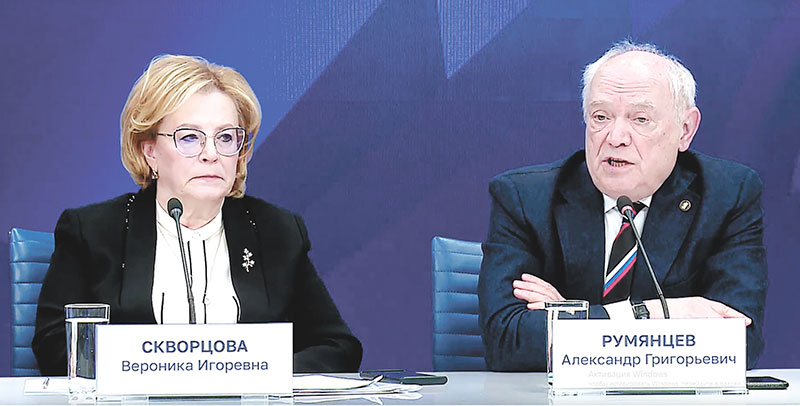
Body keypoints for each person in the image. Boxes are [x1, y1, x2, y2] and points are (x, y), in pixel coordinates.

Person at [32, 55, 362, 375]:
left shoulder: (276, 231)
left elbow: (337, 346)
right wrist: (155, 373)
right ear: (150, 151)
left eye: (226, 137)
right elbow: (56, 345)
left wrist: (257, 371)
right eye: (190, 137)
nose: (211, 154)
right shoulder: (93, 231)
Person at [478, 40, 767, 371]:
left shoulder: (727, 195)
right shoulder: (524, 198)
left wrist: (571, 318)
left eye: (640, 119)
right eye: (600, 117)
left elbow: (737, 340)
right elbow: (505, 341)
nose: (615, 137)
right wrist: (651, 314)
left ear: (685, 130)